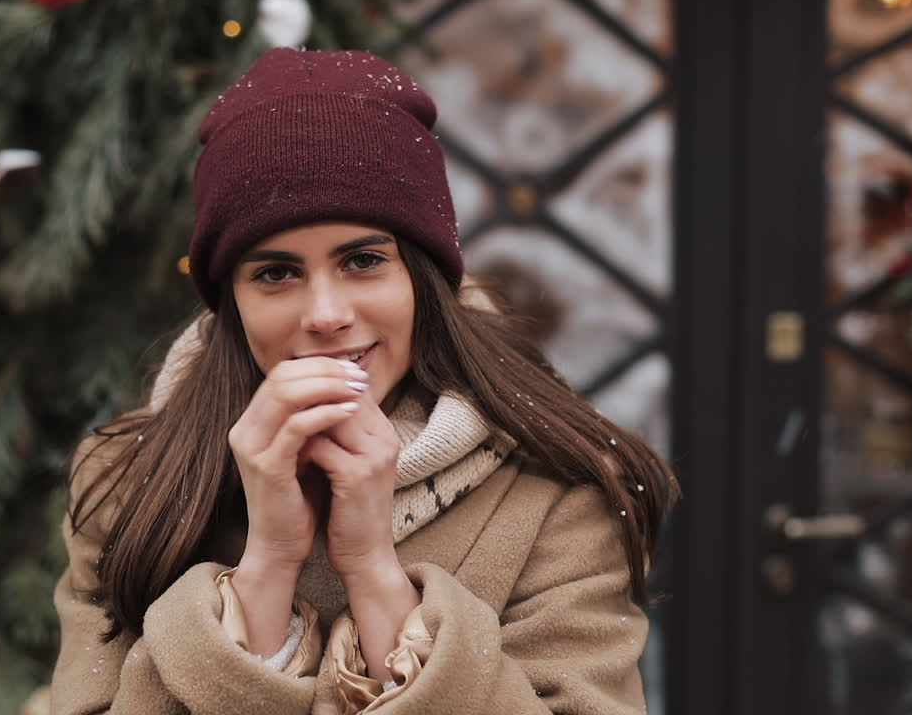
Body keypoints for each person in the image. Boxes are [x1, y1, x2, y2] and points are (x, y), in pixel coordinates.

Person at [49, 47, 679, 715]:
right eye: (275, 273)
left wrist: (376, 573)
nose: (326, 316)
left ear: (423, 277)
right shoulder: (126, 481)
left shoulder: (557, 491)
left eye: (364, 260)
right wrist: (266, 569)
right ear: (230, 302)